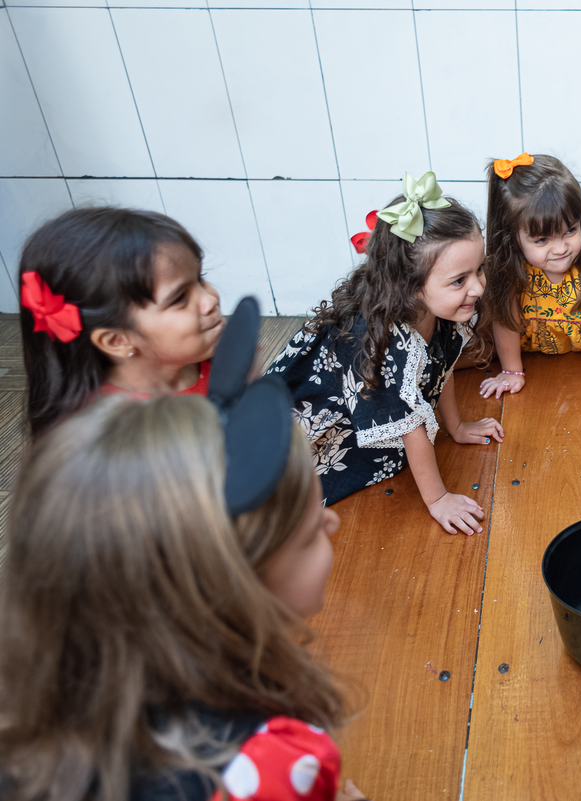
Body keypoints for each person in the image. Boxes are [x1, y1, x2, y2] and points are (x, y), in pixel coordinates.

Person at [0, 391, 367, 801]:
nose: (332, 522)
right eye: (310, 533)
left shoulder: (38, 699)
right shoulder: (265, 767)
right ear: (224, 590)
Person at [268, 171, 503, 534]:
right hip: (305, 430)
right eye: (460, 280)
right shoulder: (384, 342)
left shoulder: (441, 309)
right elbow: (409, 425)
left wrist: (455, 427)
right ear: (409, 287)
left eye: (479, 270)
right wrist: (439, 499)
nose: (477, 287)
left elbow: (442, 369)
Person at [17, 206, 225, 437]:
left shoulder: (216, 360)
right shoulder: (116, 434)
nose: (210, 299)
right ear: (117, 341)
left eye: (200, 278)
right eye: (179, 298)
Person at [475, 153, 581, 399]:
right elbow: (506, 320)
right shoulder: (509, 263)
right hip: (534, 354)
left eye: (570, 230)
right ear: (512, 237)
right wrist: (512, 371)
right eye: (542, 239)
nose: (560, 249)